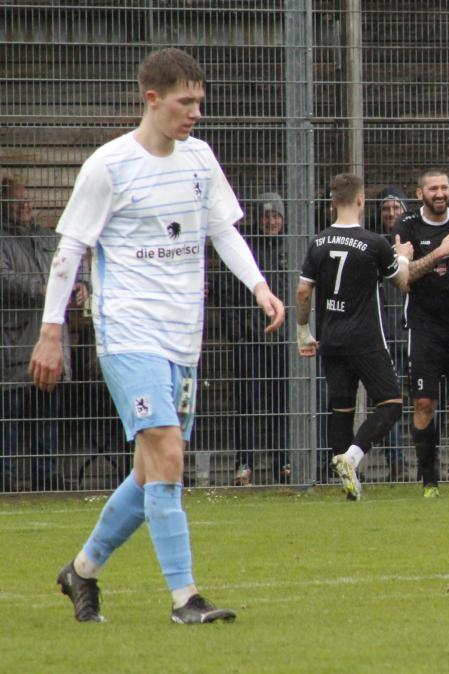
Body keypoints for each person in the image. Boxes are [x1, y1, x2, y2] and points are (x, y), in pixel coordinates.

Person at [30, 48, 286, 623]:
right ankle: (185, 599)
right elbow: (70, 251)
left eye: (200, 101)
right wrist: (52, 332)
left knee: (152, 469)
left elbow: (222, 229)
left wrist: (260, 286)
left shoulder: (199, 159)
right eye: (185, 102)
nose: (196, 112)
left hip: (182, 338)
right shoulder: (109, 165)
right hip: (127, 331)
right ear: (152, 98)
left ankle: (83, 571)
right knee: (168, 454)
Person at [297, 173, 449, 501]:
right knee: (390, 403)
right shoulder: (373, 243)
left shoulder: (318, 242)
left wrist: (303, 331)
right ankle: (353, 457)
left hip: (330, 338)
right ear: (360, 201)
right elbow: (403, 281)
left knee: (341, 409)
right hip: (365, 339)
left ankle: (350, 484)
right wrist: (401, 254)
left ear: (332, 203)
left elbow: (303, 291)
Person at [391, 170, 449, 498]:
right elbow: (404, 279)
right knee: (424, 403)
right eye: (433, 188)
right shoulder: (407, 226)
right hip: (425, 327)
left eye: (445, 187)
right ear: (420, 194)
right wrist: (441, 253)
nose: (440, 193)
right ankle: (429, 481)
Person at [1, 176, 88, 491]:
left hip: (51, 342)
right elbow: (4, 280)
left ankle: (47, 474)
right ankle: (6, 476)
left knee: (48, 412)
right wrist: (43, 290)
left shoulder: (49, 239)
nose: (24, 206)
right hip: (14, 340)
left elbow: (76, 266)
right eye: (16, 202)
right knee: (8, 413)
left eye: (27, 200)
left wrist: (82, 286)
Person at [227, 192, 291, 485]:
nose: (271, 221)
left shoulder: (292, 246)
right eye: (266, 216)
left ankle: (285, 461)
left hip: (283, 338)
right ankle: (245, 464)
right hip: (249, 337)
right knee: (247, 402)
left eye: (276, 215)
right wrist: (238, 332)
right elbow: (228, 291)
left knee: (282, 402)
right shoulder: (245, 248)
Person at [373, 185, 410, 480]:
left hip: (412, 331)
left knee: (425, 398)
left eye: (396, 208)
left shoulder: (415, 242)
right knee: (391, 399)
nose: (391, 213)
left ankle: (427, 458)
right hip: (386, 332)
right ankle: (396, 462)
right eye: (386, 208)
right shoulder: (376, 244)